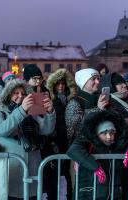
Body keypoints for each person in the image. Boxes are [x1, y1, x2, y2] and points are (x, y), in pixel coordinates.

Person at [0, 79, 56, 199]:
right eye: (16, 93)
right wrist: (22, 111)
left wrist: (50, 112)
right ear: (8, 95)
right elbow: (2, 129)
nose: (20, 96)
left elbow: (46, 130)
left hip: (32, 172)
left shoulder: (32, 114)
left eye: (23, 93)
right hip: (10, 173)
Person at [67, 110, 128, 200]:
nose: (109, 137)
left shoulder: (117, 144)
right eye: (104, 133)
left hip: (112, 195)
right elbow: (73, 150)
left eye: (112, 133)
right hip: (88, 194)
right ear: (97, 133)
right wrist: (96, 167)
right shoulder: (87, 142)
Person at [65, 68, 109, 190]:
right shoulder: (75, 102)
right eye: (93, 79)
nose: (97, 82)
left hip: (100, 153)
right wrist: (98, 110)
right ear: (84, 82)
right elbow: (75, 125)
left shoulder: (100, 99)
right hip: (81, 155)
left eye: (98, 79)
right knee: (82, 189)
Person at [46, 68, 77, 200]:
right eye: (58, 84)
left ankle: (70, 196)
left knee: (69, 174)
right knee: (54, 175)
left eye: (63, 83)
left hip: (70, 142)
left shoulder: (72, 100)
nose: (61, 86)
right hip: (55, 143)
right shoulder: (50, 101)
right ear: (53, 86)